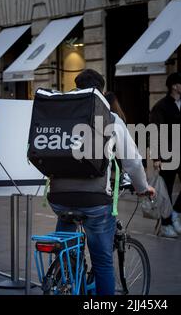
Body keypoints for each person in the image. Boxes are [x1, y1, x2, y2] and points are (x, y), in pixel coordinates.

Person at [48, 69, 155, 295]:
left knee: (67, 248)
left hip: (58, 198)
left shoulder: (60, 114)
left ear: (76, 86)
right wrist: (143, 188)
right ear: (102, 91)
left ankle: (66, 273)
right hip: (94, 200)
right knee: (102, 262)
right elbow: (133, 162)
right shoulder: (110, 118)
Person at [149, 72, 181, 238]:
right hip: (167, 154)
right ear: (174, 86)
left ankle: (175, 213)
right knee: (165, 190)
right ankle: (166, 224)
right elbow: (154, 131)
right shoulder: (161, 106)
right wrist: (156, 157)